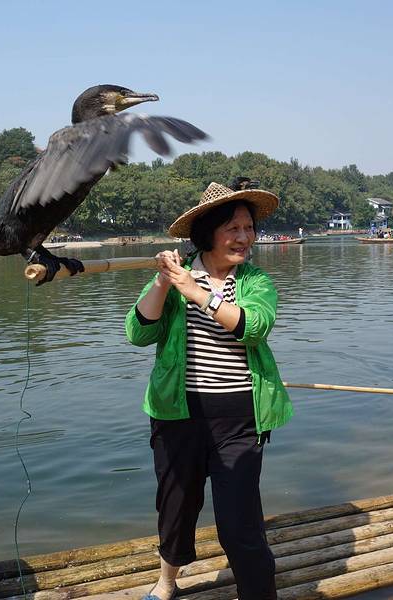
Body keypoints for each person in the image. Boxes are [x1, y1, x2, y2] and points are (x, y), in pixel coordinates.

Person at [125, 181, 294, 600]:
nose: (243, 237)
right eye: (232, 228)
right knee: (176, 510)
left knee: (241, 523)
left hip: (240, 419)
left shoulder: (255, 281)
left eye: (248, 228)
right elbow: (137, 333)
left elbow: (254, 327)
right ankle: (167, 582)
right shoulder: (178, 275)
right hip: (176, 415)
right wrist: (164, 282)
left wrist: (198, 294)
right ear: (207, 233)